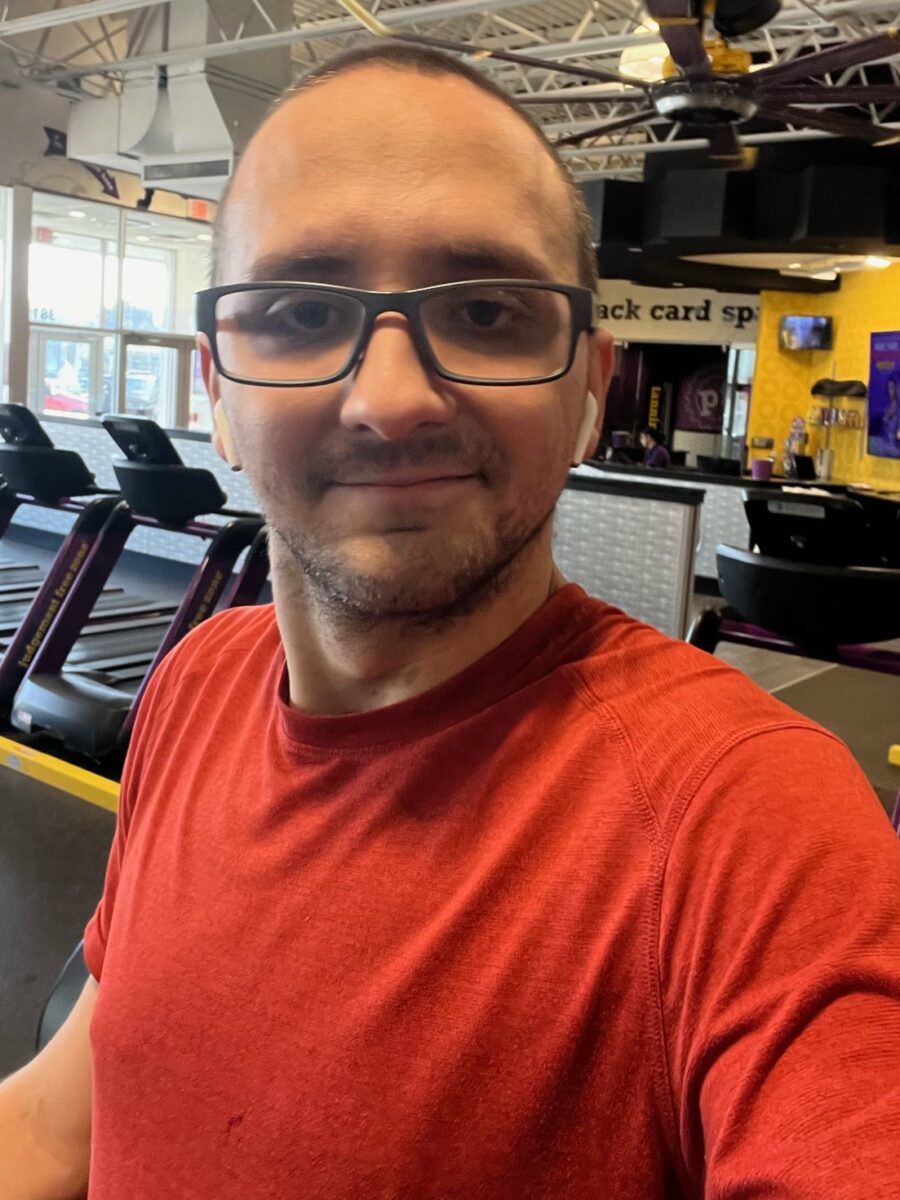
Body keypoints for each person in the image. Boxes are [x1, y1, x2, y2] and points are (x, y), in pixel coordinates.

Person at [2, 42, 899, 1200]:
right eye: (300, 310)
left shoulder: (746, 818)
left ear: (588, 387)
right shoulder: (198, 684)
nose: (389, 401)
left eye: (485, 310)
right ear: (216, 392)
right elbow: (68, 1118)